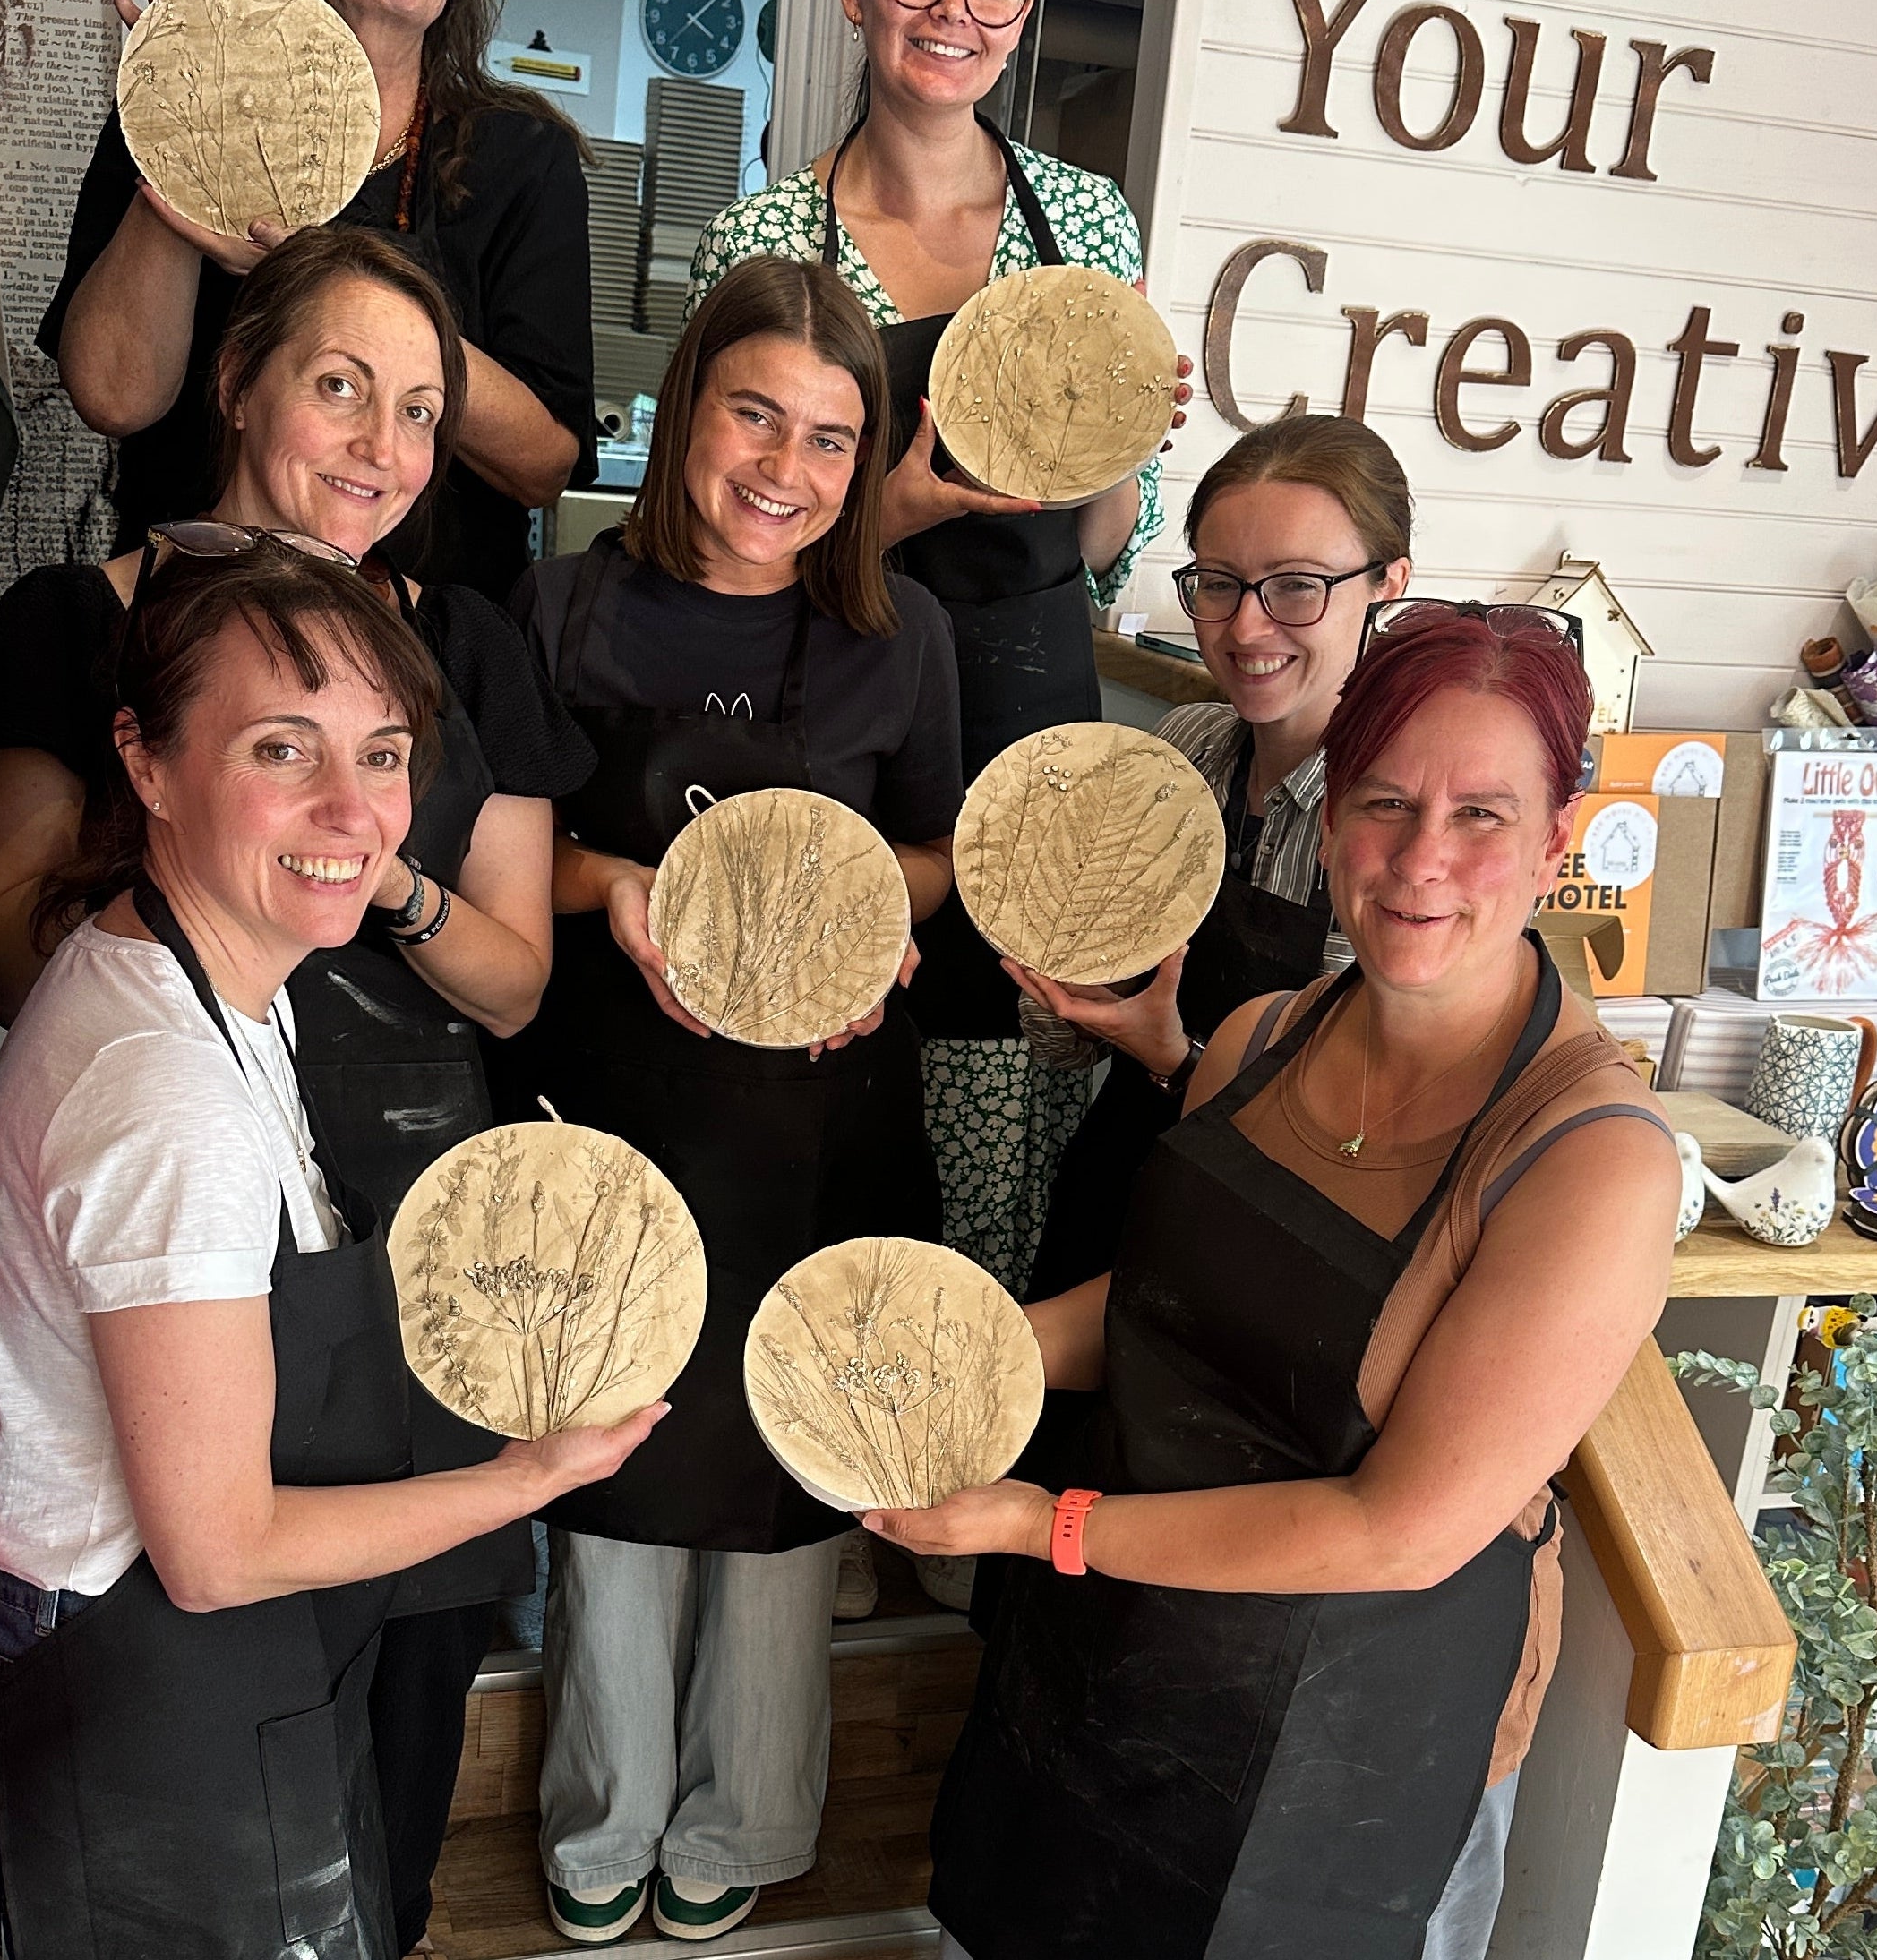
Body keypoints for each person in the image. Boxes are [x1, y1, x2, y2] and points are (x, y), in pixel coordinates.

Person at [871, 603, 1684, 1960]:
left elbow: (1401, 1530)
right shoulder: (1260, 1036)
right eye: (1385, 801)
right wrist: (972, 1347)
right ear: (1335, 813)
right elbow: (1167, 1306)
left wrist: (1037, 1527)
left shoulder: (1590, 1162)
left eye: (1482, 813)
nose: (1422, 858)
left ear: (1557, 839)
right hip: (1116, 1651)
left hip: (1349, 1746)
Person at [0, 227, 594, 1954]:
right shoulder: (158, 1062)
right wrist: (532, 1471)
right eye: (339, 384)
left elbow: (514, 976)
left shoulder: (240, 974)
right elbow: (220, 1541)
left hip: (370, 1290)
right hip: (144, 1589)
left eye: (381, 754)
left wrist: (354, 873)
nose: (380, 442)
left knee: (369, 1763)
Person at [509, 257, 963, 1946]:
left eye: (831, 439)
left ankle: (749, 1810)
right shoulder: (561, 607)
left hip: (821, 1113)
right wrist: (614, 881)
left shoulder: (899, 636)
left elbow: (935, 852)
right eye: (753, 411)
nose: (784, 464)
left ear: (865, 462)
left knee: (789, 1448)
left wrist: (866, 922)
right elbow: (504, 857)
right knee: (616, 1445)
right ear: (688, 402)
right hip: (616, 1099)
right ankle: (605, 1802)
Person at [691, 0, 1187, 1320]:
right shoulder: (763, 236)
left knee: (1014, 1120)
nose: (951, 7)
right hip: (836, 713)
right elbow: (724, 549)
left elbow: (1098, 546)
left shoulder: (1082, 224)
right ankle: (820, 1458)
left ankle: (960, 1495)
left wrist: (1121, 437)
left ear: (1022, 7)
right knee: (832, 1088)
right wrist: (887, 511)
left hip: (1035, 708)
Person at [43, 0, 595, 599]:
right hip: (193, 620)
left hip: (422, 650)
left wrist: (334, 262)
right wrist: (190, 116)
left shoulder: (523, 158)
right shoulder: (178, 88)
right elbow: (113, 396)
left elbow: (543, 466)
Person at [1017, 413, 1414, 1298]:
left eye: (1297, 587)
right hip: (1114, 1196)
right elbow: (1068, 1049)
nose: (1245, 628)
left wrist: (1175, 1060)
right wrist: (1060, 974)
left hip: (1264, 1259)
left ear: (1388, 580)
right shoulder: (1186, 746)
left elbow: (1353, 1146)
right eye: (1220, 584)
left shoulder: (1394, 829)